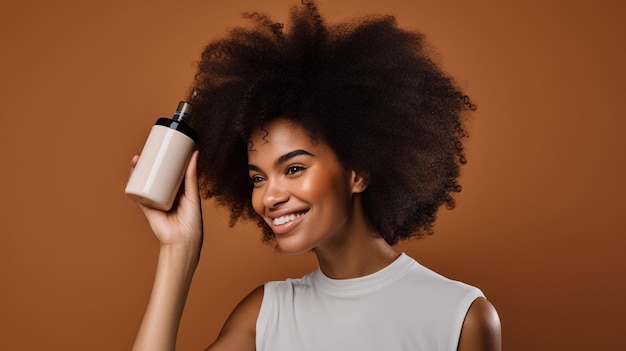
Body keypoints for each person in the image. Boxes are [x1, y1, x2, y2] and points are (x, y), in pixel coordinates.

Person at [130, 1, 501, 350]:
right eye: (258, 178)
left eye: (293, 168)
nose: (269, 197)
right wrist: (177, 250)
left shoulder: (461, 317)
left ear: (359, 172)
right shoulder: (264, 315)